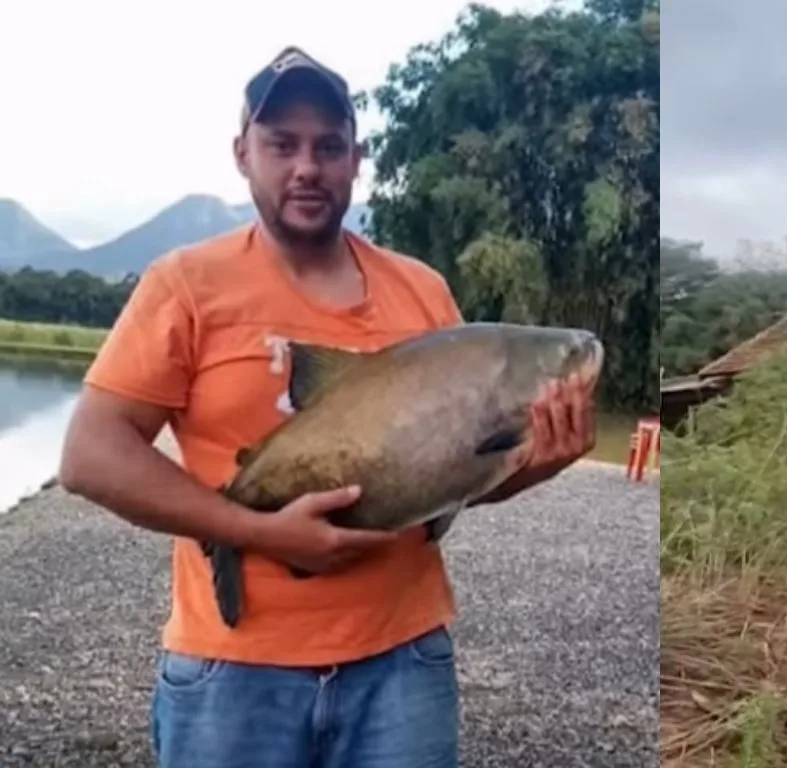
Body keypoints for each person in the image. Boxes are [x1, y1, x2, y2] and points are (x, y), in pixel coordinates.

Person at [57, 46, 596, 768]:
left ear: (356, 159)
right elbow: (89, 456)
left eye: (328, 146)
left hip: (403, 666)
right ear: (243, 153)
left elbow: (450, 480)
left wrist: (537, 464)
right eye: (282, 144)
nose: (306, 166)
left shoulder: (423, 293)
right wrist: (255, 530)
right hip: (231, 675)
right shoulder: (184, 285)